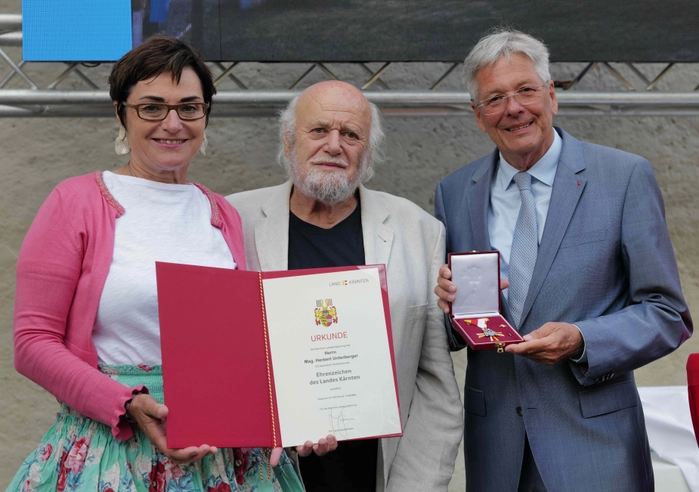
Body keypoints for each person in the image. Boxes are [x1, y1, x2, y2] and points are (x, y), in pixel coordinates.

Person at [9, 35, 303, 492]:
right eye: (152, 107)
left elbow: (238, 343)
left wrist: (293, 409)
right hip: (114, 447)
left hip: (222, 456)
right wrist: (125, 402)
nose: (173, 123)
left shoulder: (221, 212)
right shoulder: (76, 201)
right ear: (120, 111)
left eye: (189, 107)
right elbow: (32, 343)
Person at [434, 28, 693, 491]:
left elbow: (667, 314)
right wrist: (448, 307)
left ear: (552, 96)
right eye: (495, 98)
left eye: (526, 90)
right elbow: (455, 330)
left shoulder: (623, 177)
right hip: (497, 451)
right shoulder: (454, 193)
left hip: (597, 448)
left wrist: (581, 339)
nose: (513, 108)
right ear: (478, 117)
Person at [227, 80, 463, 492]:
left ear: (367, 153)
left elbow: (434, 383)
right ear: (288, 141)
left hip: (375, 476)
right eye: (318, 130)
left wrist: (420, 483)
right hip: (261, 473)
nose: (334, 145)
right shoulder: (233, 218)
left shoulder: (417, 230)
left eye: (351, 135)